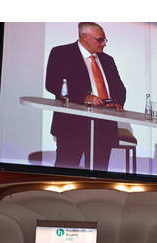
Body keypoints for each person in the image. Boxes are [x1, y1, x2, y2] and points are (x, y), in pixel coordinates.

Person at [45, 22, 126, 171]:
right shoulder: (61, 53)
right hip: (72, 126)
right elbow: (52, 84)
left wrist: (116, 102)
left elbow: (119, 89)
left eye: (104, 40)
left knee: (98, 175)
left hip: (103, 127)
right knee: (65, 173)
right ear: (84, 38)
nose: (104, 44)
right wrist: (84, 97)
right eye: (100, 40)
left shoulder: (108, 60)